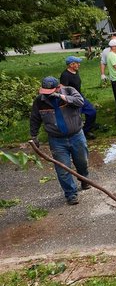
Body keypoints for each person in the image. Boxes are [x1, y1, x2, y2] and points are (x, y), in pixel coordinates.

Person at [29, 76, 90, 205]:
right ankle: (71, 194)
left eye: (50, 92)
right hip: (57, 140)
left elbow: (80, 102)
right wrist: (34, 136)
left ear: (58, 88)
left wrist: (61, 97)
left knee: (82, 162)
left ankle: (84, 179)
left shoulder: (69, 91)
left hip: (76, 135)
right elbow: (35, 119)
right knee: (63, 169)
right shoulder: (40, 101)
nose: (47, 95)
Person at [60, 56, 97, 140]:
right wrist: (68, 100)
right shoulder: (65, 75)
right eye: (77, 63)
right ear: (71, 65)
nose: (79, 65)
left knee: (92, 112)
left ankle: (86, 130)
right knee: (77, 118)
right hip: (72, 99)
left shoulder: (76, 72)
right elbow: (62, 89)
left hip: (80, 96)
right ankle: (77, 136)